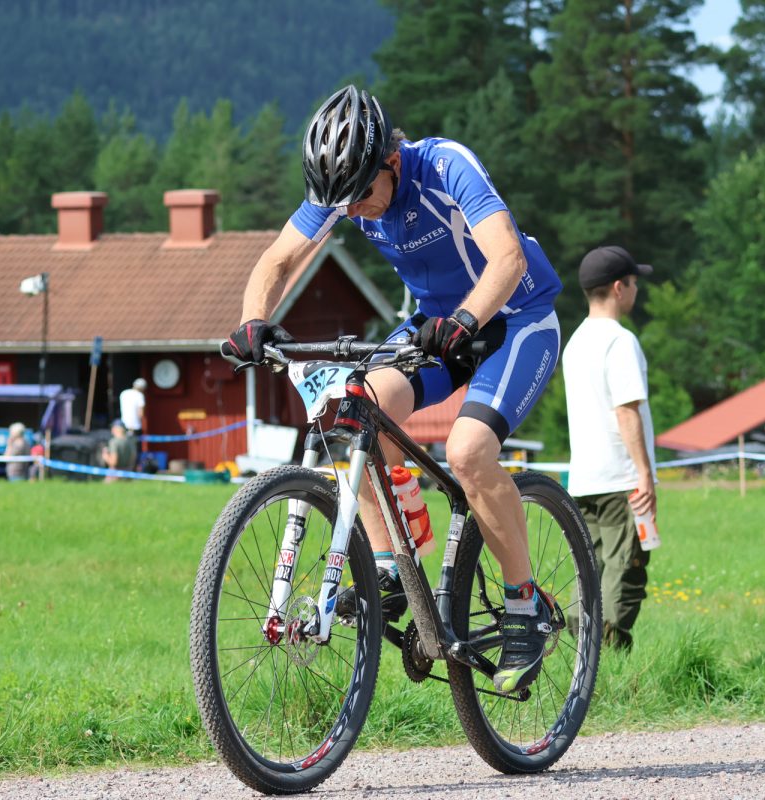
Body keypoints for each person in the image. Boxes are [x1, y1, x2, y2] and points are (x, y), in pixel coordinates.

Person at [223, 85, 562, 693]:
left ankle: (525, 605)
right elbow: (278, 260)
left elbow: (508, 258)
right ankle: (391, 563)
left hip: (516, 317)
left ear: (391, 161)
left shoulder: (445, 166)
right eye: (342, 204)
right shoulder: (343, 190)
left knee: (467, 452)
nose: (354, 212)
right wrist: (252, 321)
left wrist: (466, 320)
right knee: (353, 410)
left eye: (361, 197)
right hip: (437, 325)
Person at [562, 245, 658, 651]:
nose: (636, 290)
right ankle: (610, 656)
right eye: (634, 283)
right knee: (626, 569)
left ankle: (581, 656)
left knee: (591, 568)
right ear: (619, 287)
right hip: (621, 477)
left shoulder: (575, 342)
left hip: (583, 478)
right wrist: (644, 474)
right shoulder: (620, 341)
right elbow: (626, 411)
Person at [118, 378, 147, 446]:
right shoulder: (140, 395)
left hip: (124, 424)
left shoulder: (123, 393)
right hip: (135, 426)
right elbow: (141, 414)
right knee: (134, 446)